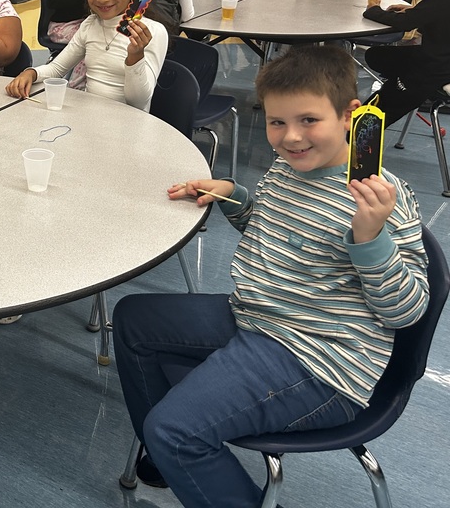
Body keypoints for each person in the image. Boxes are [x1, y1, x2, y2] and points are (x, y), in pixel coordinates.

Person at [113, 45, 429, 508]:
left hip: (320, 359)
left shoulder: (380, 198)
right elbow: (268, 225)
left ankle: (175, 446)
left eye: (308, 121)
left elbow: (407, 312)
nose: (290, 138)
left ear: (351, 115)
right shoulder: (286, 168)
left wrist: (370, 238)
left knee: (174, 431)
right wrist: (233, 195)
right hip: (258, 317)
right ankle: (168, 457)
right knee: (133, 319)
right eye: (277, 122)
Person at [5, 0, 167, 112]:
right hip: (89, 119)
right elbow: (58, 68)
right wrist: (30, 74)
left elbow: (138, 102)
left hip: (128, 125)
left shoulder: (154, 32)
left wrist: (135, 57)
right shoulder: (90, 25)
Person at [363, 0, 450, 127]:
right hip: (440, 58)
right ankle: (399, 86)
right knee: (376, 56)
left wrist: (373, 11)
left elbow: (405, 23)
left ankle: (349, 142)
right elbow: (430, 15)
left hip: (433, 70)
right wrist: (413, 12)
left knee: (368, 119)